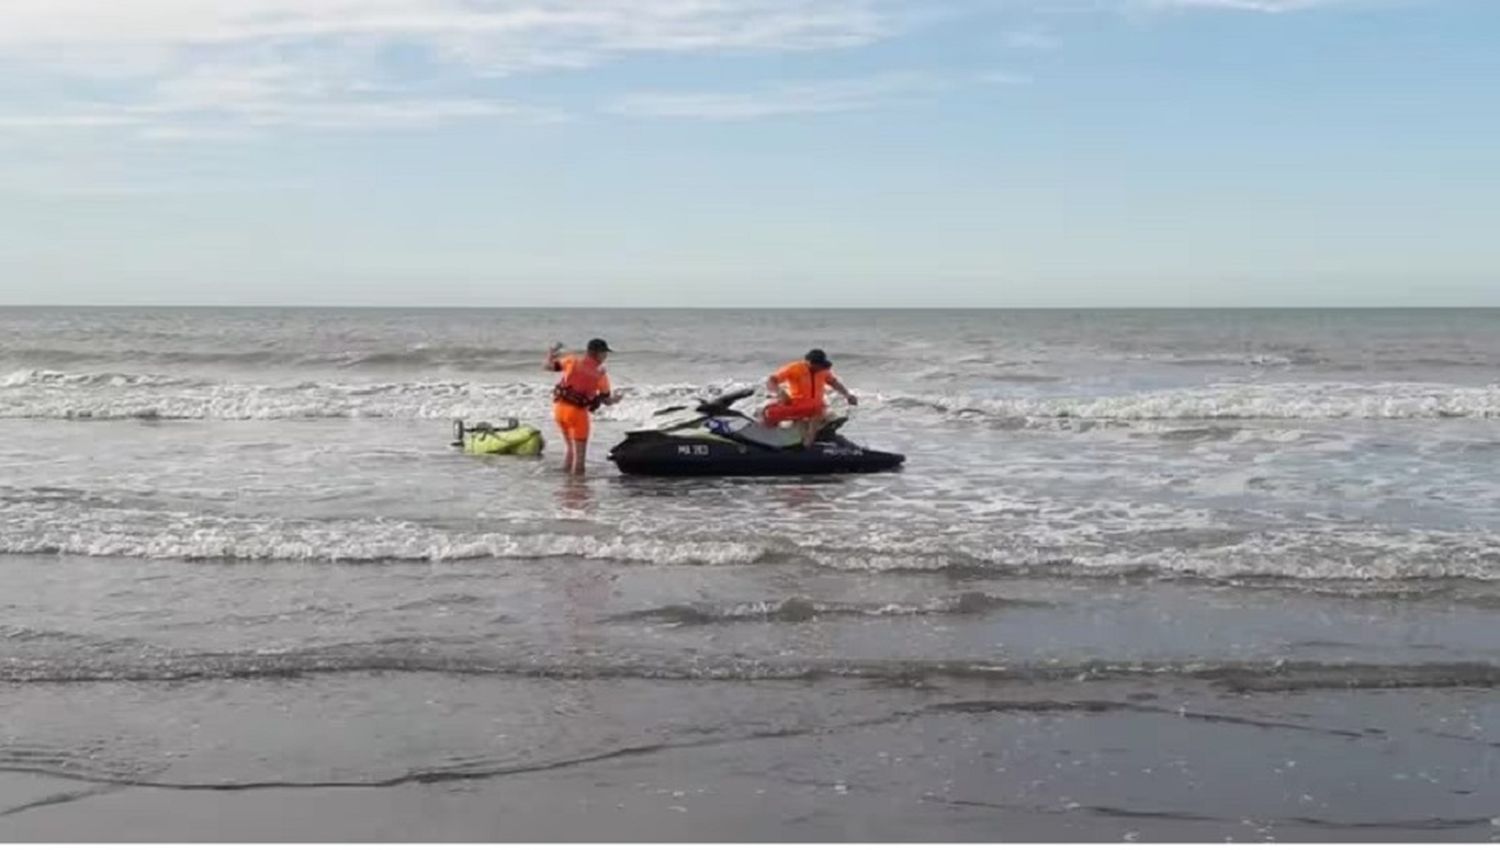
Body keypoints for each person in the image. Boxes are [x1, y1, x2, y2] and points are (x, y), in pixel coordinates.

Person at [544, 338, 619, 475]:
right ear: (598, 353)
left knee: (570, 449)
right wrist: (617, 399)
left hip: (560, 410)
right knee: (580, 460)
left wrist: (551, 353)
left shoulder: (572, 360)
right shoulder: (600, 373)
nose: (606, 356)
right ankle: (578, 490)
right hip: (577, 414)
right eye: (605, 353)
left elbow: (548, 366)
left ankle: (566, 482)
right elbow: (606, 400)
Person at [762, 348, 858, 448]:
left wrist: (847, 395)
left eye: (821, 365)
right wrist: (780, 391)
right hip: (797, 405)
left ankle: (809, 442)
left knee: (819, 409)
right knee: (768, 412)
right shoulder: (795, 368)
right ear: (809, 362)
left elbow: (833, 382)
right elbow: (771, 380)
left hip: (816, 409)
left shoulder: (823, 370)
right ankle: (767, 437)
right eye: (818, 365)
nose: (820, 368)